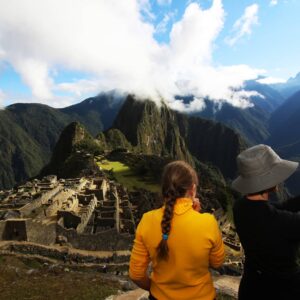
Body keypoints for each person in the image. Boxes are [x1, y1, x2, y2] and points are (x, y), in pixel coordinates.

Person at [129, 160, 225, 300]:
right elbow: (218, 262)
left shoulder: (147, 220)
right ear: (192, 189)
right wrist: (196, 215)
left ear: (164, 188)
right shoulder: (207, 222)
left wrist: (154, 288)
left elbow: (136, 274)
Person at [232, 144, 300, 300]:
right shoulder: (279, 222)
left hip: (252, 287)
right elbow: (285, 218)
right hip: (284, 292)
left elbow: (282, 207)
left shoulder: (241, 206)